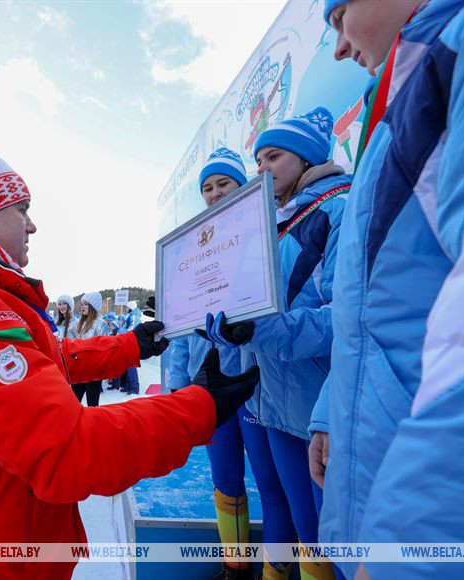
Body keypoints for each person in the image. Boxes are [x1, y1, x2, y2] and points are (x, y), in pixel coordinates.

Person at [0, 138, 262, 580]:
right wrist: (198, 408)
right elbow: (65, 450)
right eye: (21, 209)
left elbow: (47, 359)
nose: (32, 225)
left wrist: (132, 345)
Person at [310, 1, 464, 578]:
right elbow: (372, 308)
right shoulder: (393, 109)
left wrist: (411, 545)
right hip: (377, 461)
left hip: (434, 507)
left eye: (340, 17)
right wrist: (329, 411)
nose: (338, 46)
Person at [204, 110, 350, 580]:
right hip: (272, 400)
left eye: (274, 156)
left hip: (320, 401)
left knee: (332, 537)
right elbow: (249, 311)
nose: (261, 168)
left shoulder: (337, 208)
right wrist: (224, 329)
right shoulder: (268, 223)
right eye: (258, 158)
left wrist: (260, 330)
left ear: (306, 156)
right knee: (304, 525)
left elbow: (345, 319)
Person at [172, 148, 297, 580]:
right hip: (211, 388)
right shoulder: (193, 253)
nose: (214, 194)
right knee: (225, 480)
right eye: (206, 188)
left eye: (223, 183)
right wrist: (177, 384)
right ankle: (234, 566)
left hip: (257, 386)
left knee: (272, 486)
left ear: (243, 185)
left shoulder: (267, 239)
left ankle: (275, 574)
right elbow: (181, 330)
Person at [69, 291, 110, 407]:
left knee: (92, 405)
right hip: (79, 369)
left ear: (93, 306)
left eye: (86, 304)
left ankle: (93, 425)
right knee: (73, 403)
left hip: (93, 371)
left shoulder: (101, 324)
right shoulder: (81, 323)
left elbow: (106, 347)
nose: (82, 307)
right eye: (82, 304)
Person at [117, 301, 142, 394]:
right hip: (128, 344)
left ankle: (134, 388)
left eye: (126, 307)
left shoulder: (134, 317)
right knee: (127, 366)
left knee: (131, 366)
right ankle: (128, 386)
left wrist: (121, 330)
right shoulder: (129, 316)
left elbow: (132, 330)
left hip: (133, 344)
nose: (125, 309)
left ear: (131, 308)